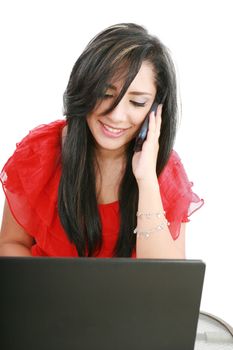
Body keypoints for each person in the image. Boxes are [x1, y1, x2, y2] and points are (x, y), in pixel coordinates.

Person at [0, 23, 203, 259]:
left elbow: (166, 280)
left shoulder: (165, 170)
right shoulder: (41, 153)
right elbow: (11, 244)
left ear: (155, 110)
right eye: (105, 95)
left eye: (137, 103)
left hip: (129, 298)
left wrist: (146, 179)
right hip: (47, 295)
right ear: (85, 88)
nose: (116, 116)